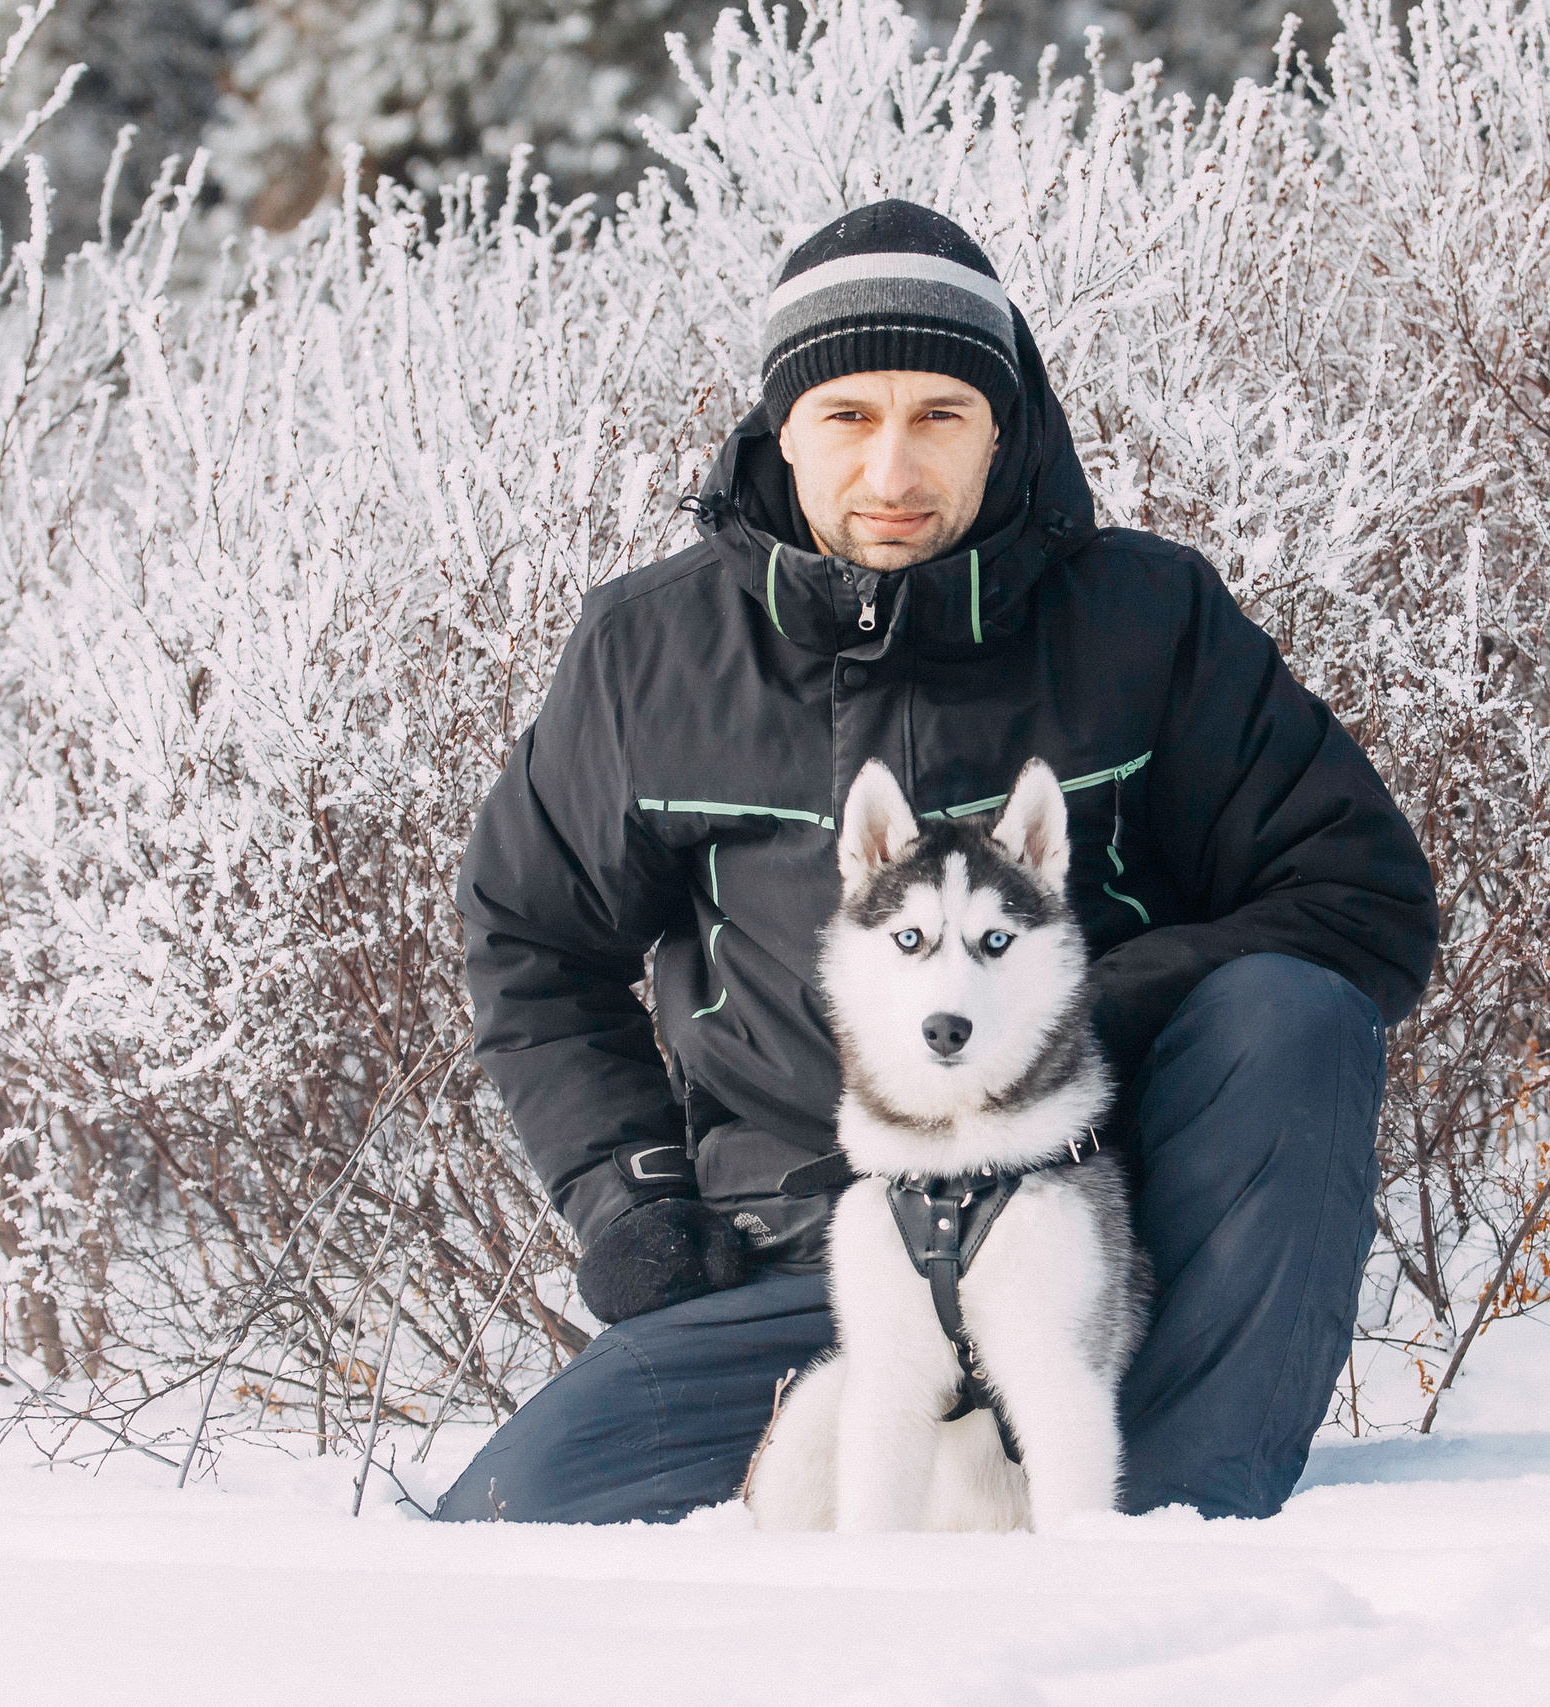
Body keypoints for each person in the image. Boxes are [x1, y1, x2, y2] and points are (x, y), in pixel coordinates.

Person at [436, 201, 1436, 1525]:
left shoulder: (1146, 620)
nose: (893, 469)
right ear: (781, 428)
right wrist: (632, 1200)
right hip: (812, 1251)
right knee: (520, 1514)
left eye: (940, 415)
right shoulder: (649, 655)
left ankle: (1183, 1523)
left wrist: (1092, 1009)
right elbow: (533, 949)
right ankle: (944, 1472)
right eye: (848, 416)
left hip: (1088, 1219)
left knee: (1294, 1011)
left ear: (1005, 425)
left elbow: (1363, 903)